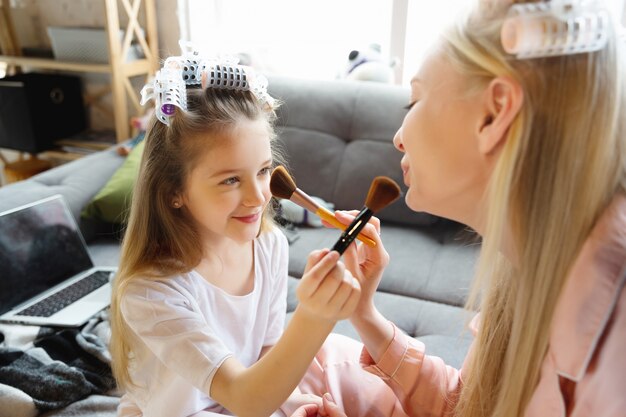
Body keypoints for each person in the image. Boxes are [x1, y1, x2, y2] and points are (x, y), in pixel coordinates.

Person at [292, 0, 626, 416]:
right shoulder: (528, 274)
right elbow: (471, 405)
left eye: (413, 104)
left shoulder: (612, 368)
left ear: (494, 114)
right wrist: (365, 314)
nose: (398, 138)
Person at [108, 54, 363, 417]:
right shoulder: (151, 291)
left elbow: (266, 352)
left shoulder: (268, 245)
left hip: (246, 396)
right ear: (173, 192)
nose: (259, 196)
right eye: (230, 180)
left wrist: (289, 402)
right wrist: (316, 316)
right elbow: (243, 398)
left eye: (262, 171)